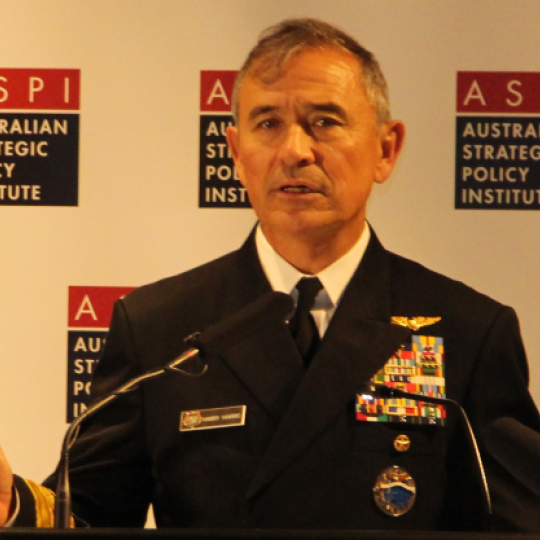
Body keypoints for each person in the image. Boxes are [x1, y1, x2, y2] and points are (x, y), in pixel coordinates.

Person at [2, 17, 540, 532]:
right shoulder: (157, 329)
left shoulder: (468, 331)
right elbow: (87, 516)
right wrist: (11, 507)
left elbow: (521, 526)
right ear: (236, 153)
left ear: (385, 148)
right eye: (268, 124)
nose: (294, 151)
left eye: (324, 122)